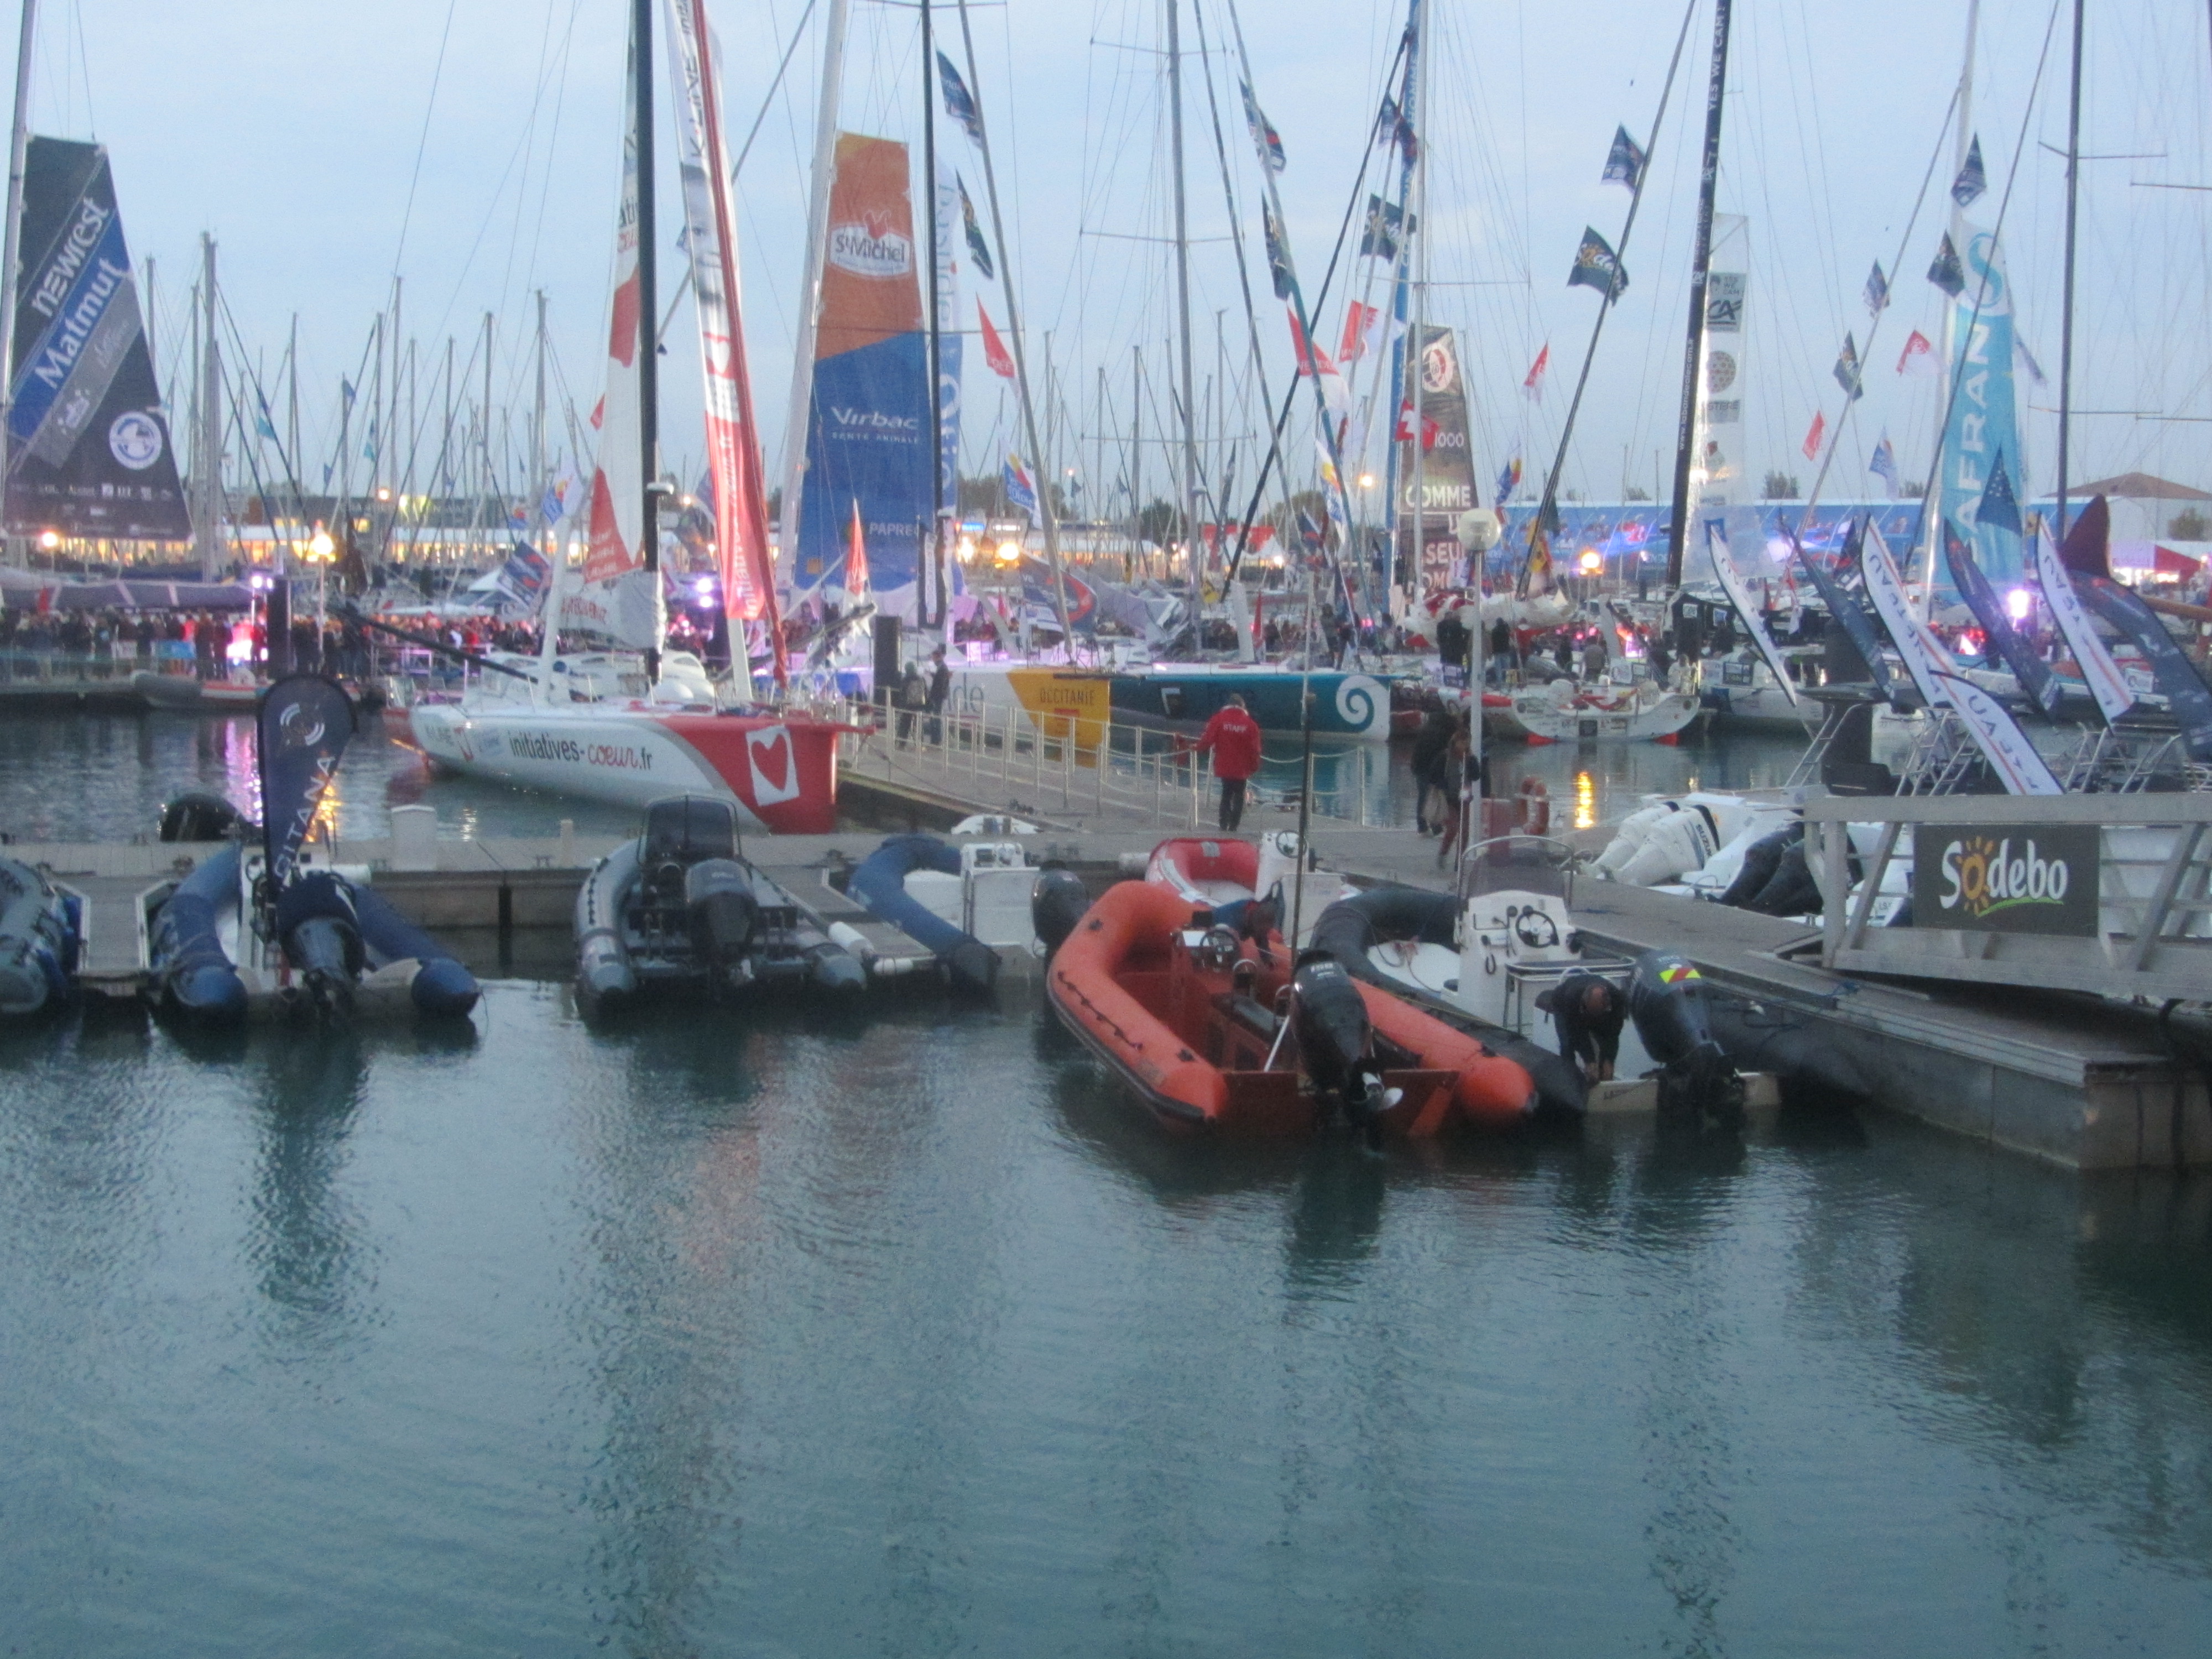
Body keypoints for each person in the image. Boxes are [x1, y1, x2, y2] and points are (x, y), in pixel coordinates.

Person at [1536, 970, 1626, 1083]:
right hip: (1562, 1004)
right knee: (1567, 1044)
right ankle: (1569, 1080)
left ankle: (1604, 1079)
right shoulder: (1571, 997)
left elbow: (1613, 1033)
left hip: (1598, 1013)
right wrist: (1590, 1061)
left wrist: (1609, 1060)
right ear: (1584, 1002)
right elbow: (1578, 1033)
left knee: (1604, 1042)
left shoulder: (1618, 998)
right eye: (1592, 1012)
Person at [1194, 693, 1262, 832]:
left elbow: (1207, 740)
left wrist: (1196, 748)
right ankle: (1234, 826)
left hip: (1224, 765)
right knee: (1239, 797)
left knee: (1226, 795)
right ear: (1243, 707)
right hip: (1242, 769)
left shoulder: (1218, 719)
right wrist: (1254, 767)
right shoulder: (1251, 725)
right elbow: (1255, 750)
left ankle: (1223, 824)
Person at [1409, 705, 1455, 834]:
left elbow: (1418, 750)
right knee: (1437, 796)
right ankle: (1435, 824)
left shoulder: (1426, 729)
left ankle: (1422, 825)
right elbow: (1444, 753)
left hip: (1419, 767)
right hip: (1435, 769)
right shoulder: (1446, 732)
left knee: (1423, 797)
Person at [925, 645, 951, 744]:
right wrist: (931, 674)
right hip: (939, 696)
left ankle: (936, 740)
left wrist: (931, 695)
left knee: (936, 718)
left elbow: (939, 683)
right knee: (936, 717)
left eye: (933, 658)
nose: (933, 660)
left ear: (937, 657)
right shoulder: (942, 668)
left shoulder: (942, 668)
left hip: (938, 697)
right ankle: (936, 739)